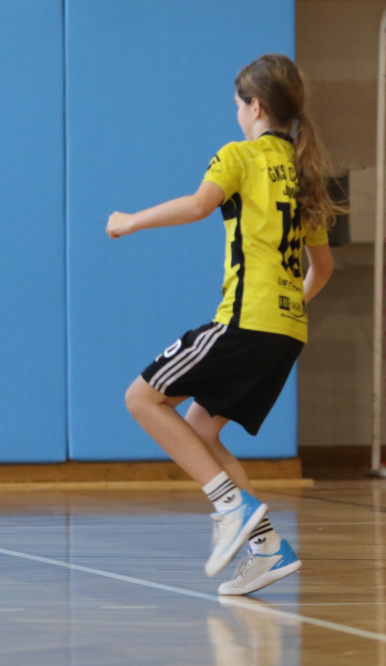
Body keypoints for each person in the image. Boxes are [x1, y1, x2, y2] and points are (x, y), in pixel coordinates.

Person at [105, 54, 342, 595]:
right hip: (287, 330)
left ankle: (229, 506)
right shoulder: (304, 173)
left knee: (141, 398)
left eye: (238, 103)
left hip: (245, 320)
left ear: (255, 106)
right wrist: (287, 311)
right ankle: (267, 548)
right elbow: (323, 269)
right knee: (200, 430)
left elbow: (197, 205)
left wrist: (129, 221)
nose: (236, 113)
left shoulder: (240, 155)